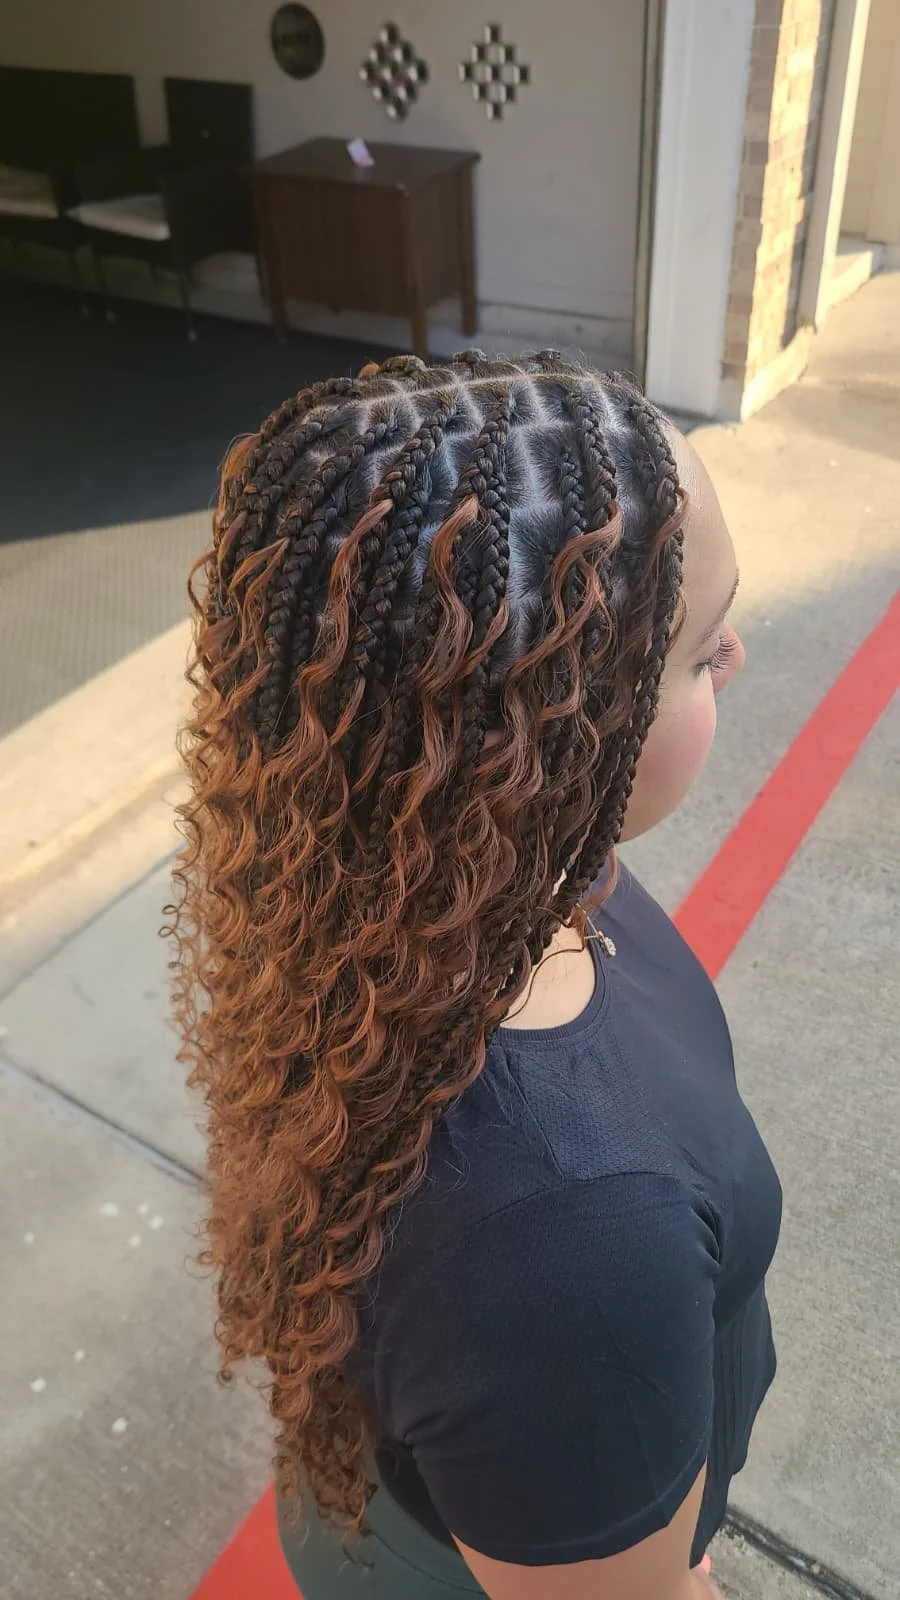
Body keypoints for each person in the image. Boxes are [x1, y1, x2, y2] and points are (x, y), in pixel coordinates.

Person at [168, 352, 782, 1600]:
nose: (740, 657)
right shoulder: (568, 1241)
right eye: (700, 648)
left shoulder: (414, 885)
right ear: (550, 719)